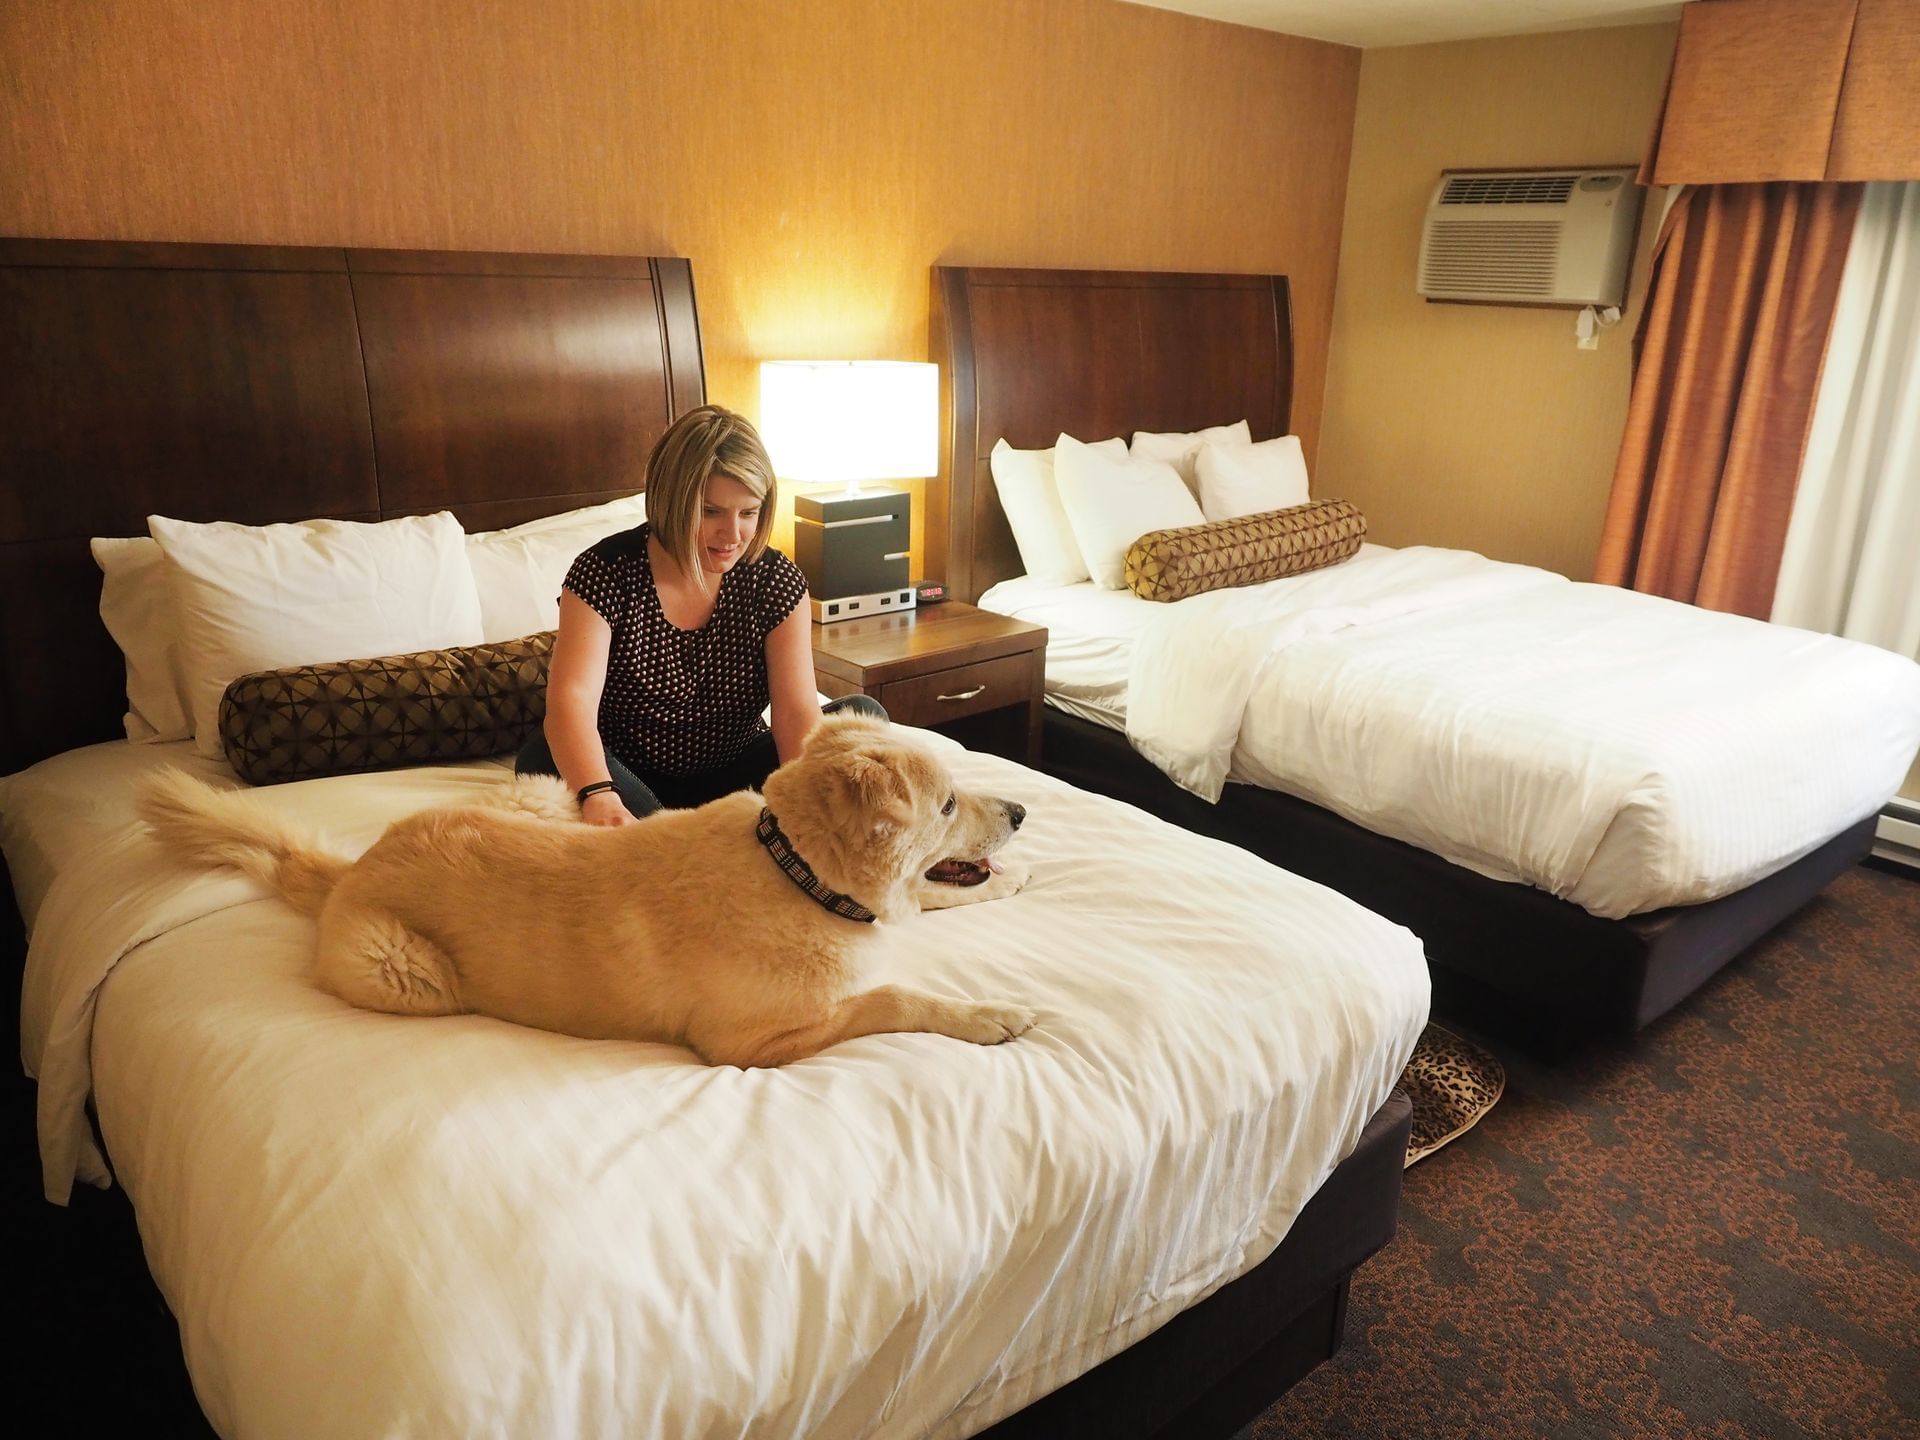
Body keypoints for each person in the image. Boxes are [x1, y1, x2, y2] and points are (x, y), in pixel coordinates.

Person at [517, 404, 885, 826]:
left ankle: (695, 837)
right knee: (543, 754)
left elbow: (796, 711)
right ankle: (679, 836)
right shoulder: (604, 573)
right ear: (671, 500)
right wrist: (599, 794)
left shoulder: (775, 580)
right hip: (628, 778)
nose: (733, 535)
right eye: (711, 512)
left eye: (748, 513)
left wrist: (805, 805)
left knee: (861, 717)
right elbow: (572, 702)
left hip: (737, 773)